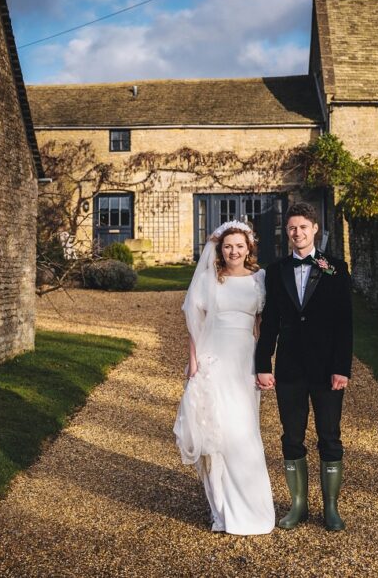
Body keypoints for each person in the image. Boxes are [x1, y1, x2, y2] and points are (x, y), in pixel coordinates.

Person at [254, 202, 352, 531]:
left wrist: (342, 368)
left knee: (330, 437)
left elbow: (345, 323)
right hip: (290, 369)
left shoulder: (334, 268)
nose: (297, 233)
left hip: (327, 370)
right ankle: (298, 506)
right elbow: (269, 323)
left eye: (303, 227)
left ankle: (331, 509)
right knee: (292, 437)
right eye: (292, 228)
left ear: (315, 230)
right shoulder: (276, 270)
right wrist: (262, 363)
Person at [173, 221, 275, 535]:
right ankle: (222, 510)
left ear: (249, 249)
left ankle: (252, 509)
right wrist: (193, 362)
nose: (234, 251)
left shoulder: (260, 279)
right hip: (214, 360)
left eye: (239, 246)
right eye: (228, 246)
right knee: (216, 434)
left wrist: (263, 364)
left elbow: (261, 325)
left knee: (244, 432)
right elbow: (195, 323)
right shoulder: (208, 279)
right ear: (221, 249)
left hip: (244, 362)